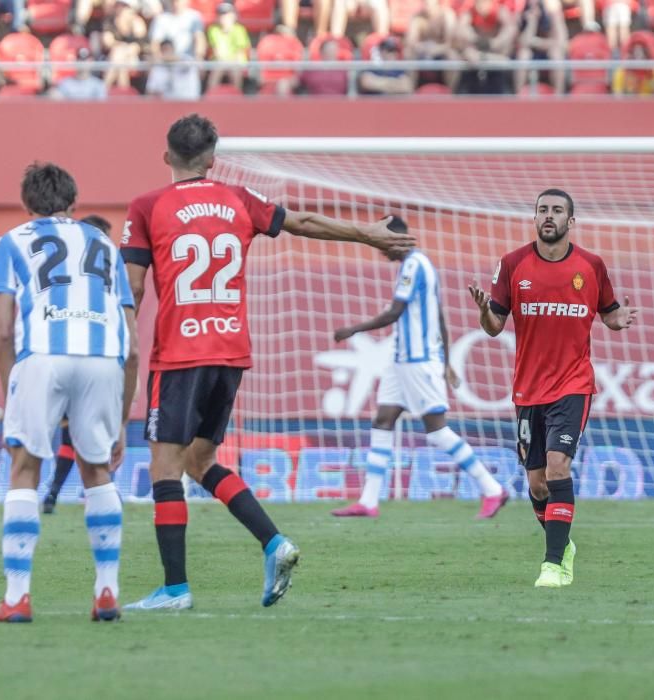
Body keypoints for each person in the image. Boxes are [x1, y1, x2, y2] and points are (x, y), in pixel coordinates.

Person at [120, 114, 415, 611]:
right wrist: (368, 234)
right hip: (231, 352)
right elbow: (304, 222)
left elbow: (130, 288)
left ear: (166, 156)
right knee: (200, 460)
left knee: (165, 467)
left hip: (179, 352)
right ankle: (274, 543)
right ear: (212, 160)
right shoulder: (238, 199)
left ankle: (174, 589)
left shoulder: (147, 205)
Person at [0, 163, 139, 623]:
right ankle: (107, 591)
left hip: (43, 355)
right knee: (97, 471)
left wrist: (13, 388)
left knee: (25, 467)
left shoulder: (11, 241)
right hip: (102, 360)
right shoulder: (106, 245)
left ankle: (17, 598)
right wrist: (124, 417)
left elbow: (3, 330)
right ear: (73, 202)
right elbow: (130, 340)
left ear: (27, 204)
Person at [468, 189, 638, 588]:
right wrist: (482, 313)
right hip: (528, 389)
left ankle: (552, 564)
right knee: (537, 483)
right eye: (542, 210)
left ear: (571, 221)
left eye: (557, 210)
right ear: (535, 218)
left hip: (573, 383)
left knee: (560, 465)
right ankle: (563, 545)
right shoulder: (512, 265)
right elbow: (494, 327)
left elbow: (609, 315)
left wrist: (620, 319)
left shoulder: (592, 266)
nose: (549, 216)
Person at [331, 219, 508, 519]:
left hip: (418, 361)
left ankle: (492, 489)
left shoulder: (415, 265)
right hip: (400, 360)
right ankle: (369, 500)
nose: (381, 250)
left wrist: (353, 329)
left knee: (437, 432)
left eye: (384, 242)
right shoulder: (415, 266)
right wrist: (449, 360)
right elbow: (437, 315)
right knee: (383, 420)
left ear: (398, 239)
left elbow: (395, 312)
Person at [43, 214, 114, 515]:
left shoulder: (61, 269)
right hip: (94, 358)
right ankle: (99, 494)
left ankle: (54, 494)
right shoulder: (105, 274)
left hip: (58, 356)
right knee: (92, 431)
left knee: (70, 434)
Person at [206, 3, 250, 92]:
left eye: (226, 14)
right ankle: (210, 96)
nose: (224, 17)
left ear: (233, 16)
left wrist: (229, 61)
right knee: (217, 70)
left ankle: (237, 97)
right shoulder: (213, 30)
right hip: (220, 61)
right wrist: (225, 61)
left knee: (235, 71)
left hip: (236, 61)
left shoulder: (239, 30)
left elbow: (239, 53)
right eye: (221, 14)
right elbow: (217, 52)